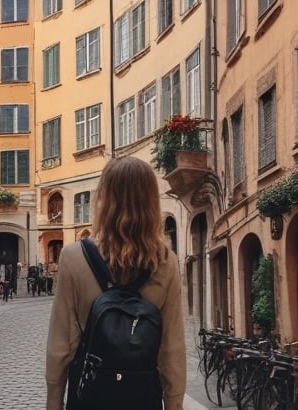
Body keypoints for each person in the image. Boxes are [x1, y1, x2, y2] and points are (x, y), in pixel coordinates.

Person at [44, 157, 186, 410]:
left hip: (90, 397)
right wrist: (174, 404)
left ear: (104, 200)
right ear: (150, 202)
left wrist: (54, 401)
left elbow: (62, 343)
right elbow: (171, 349)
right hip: (142, 398)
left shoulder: (74, 257)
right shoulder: (166, 262)